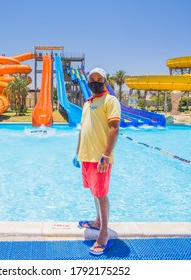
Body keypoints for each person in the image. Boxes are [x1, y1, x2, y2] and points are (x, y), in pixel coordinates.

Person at [73, 67, 121, 256]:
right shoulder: (88, 103)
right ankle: (97, 221)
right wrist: (77, 153)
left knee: (101, 194)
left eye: (98, 79)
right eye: (91, 79)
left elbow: (114, 128)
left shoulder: (110, 101)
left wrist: (107, 155)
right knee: (95, 191)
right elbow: (83, 129)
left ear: (105, 82)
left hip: (100, 158)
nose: (94, 82)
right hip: (86, 156)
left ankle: (103, 234)